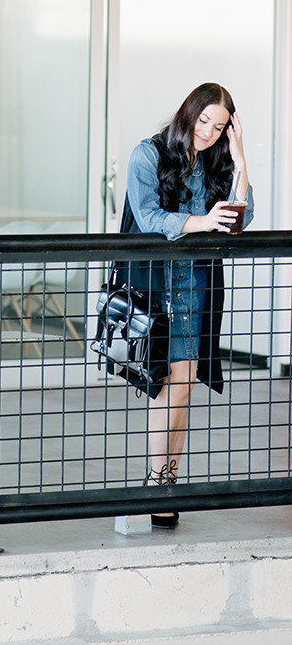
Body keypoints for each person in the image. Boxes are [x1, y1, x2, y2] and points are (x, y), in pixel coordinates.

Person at [125, 82, 254, 529]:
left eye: (220, 127)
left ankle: (167, 482)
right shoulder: (148, 154)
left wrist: (240, 162)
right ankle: (158, 484)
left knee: (185, 383)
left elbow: (243, 216)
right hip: (160, 286)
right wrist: (202, 221)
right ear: (188, 113)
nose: (209, 132)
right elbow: (149, 218)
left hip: (197, 287)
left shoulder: (220, 157)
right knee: (167, 384)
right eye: (203, 122)